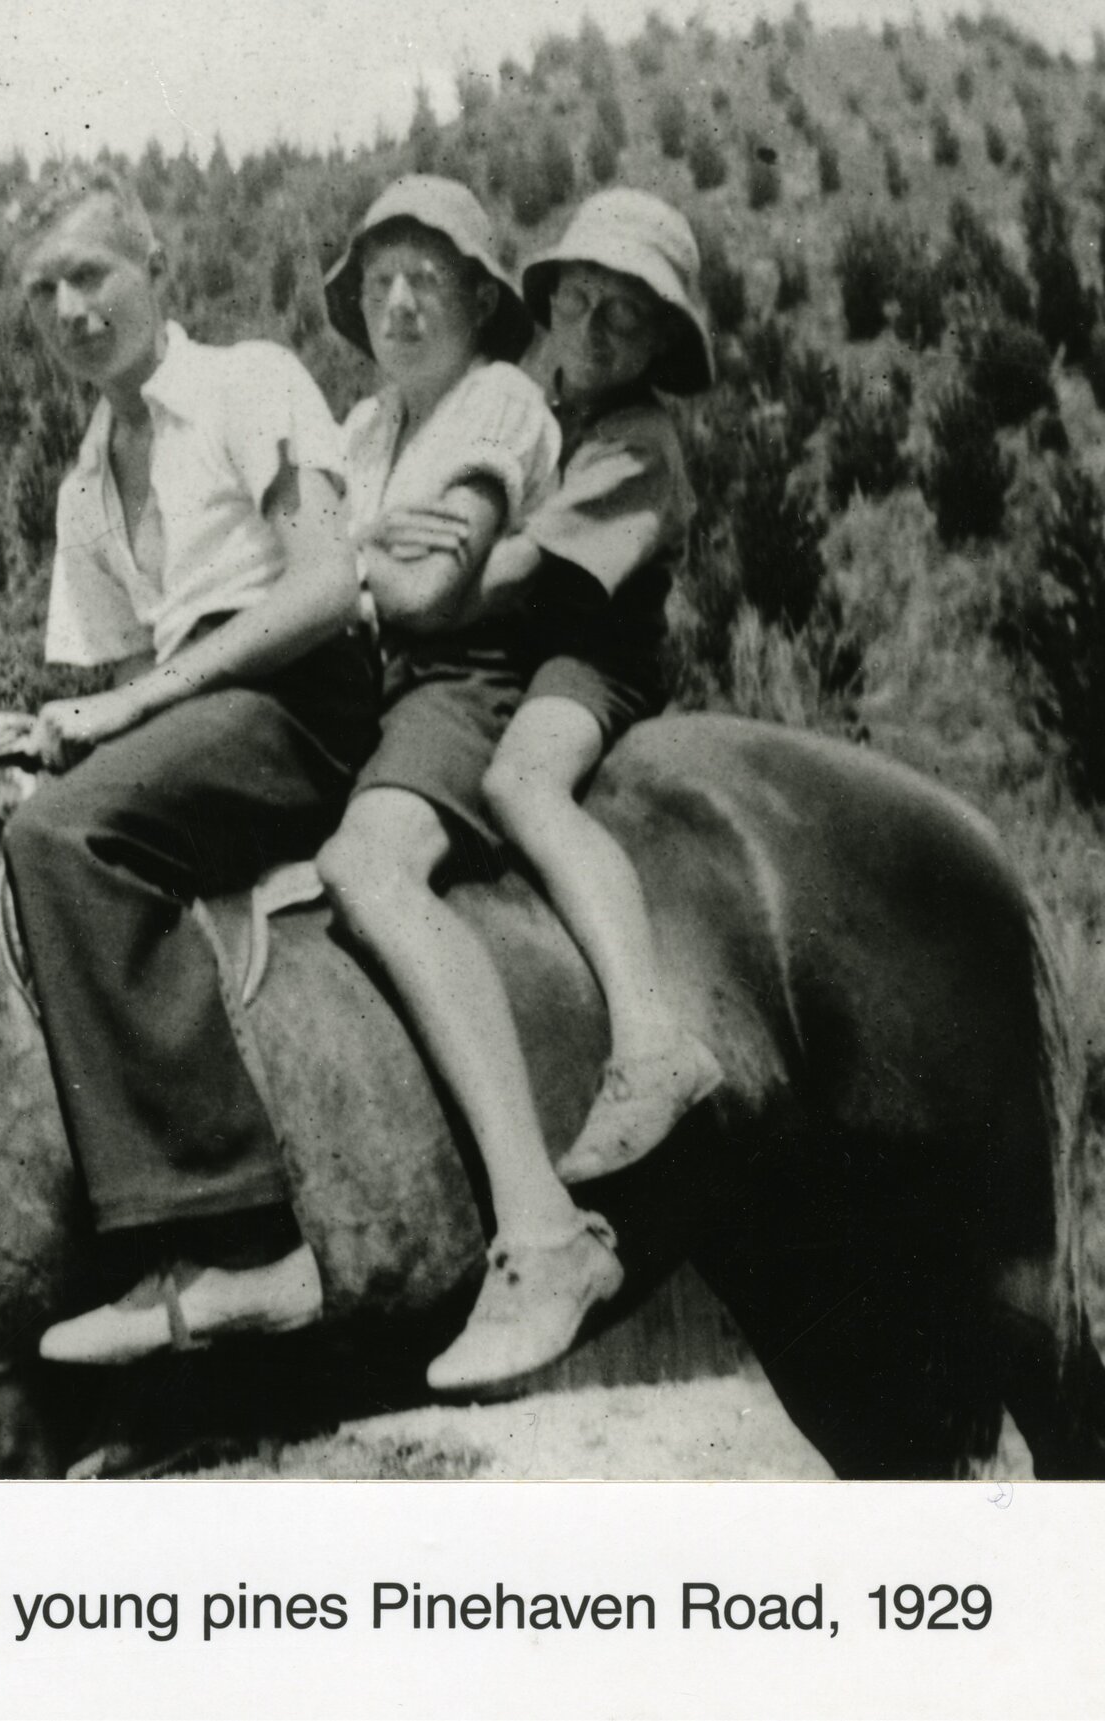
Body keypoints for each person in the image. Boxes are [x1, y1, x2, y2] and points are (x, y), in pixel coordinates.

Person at [327, 184, 722, 1394]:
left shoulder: (636, 439)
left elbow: (523, 575)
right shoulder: (546, 410)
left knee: (524, 784)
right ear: (544, 310)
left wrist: (411, 569)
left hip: (588, 658)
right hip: (533, 647)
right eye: (579, 303)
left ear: (661, 344)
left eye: (624, 317)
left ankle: (651, 1036)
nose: (593, 329)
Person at [3, 164, 378, 1367]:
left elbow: (325, 586)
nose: (68, 310)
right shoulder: (79, 486)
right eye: (43, 290)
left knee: (59, 837)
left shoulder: (245, 381)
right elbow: (95, 681)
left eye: (90, 275)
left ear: (155, 265)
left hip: (299, 694)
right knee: (9, 819)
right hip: (189, 715)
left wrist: (139, 707)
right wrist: (27, 734)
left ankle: (242, 1236)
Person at [311, 175, 614, 1396]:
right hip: (369, 681)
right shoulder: (360, 431)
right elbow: (346, 567)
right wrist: (373, 552)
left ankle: (539, 1225)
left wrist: (363, 556)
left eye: (425, 281)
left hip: (468, 677)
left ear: (479, 303)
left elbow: (435, 589)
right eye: (377, 281)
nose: (396, 302)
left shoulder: (497, 402)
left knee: (367, 866)